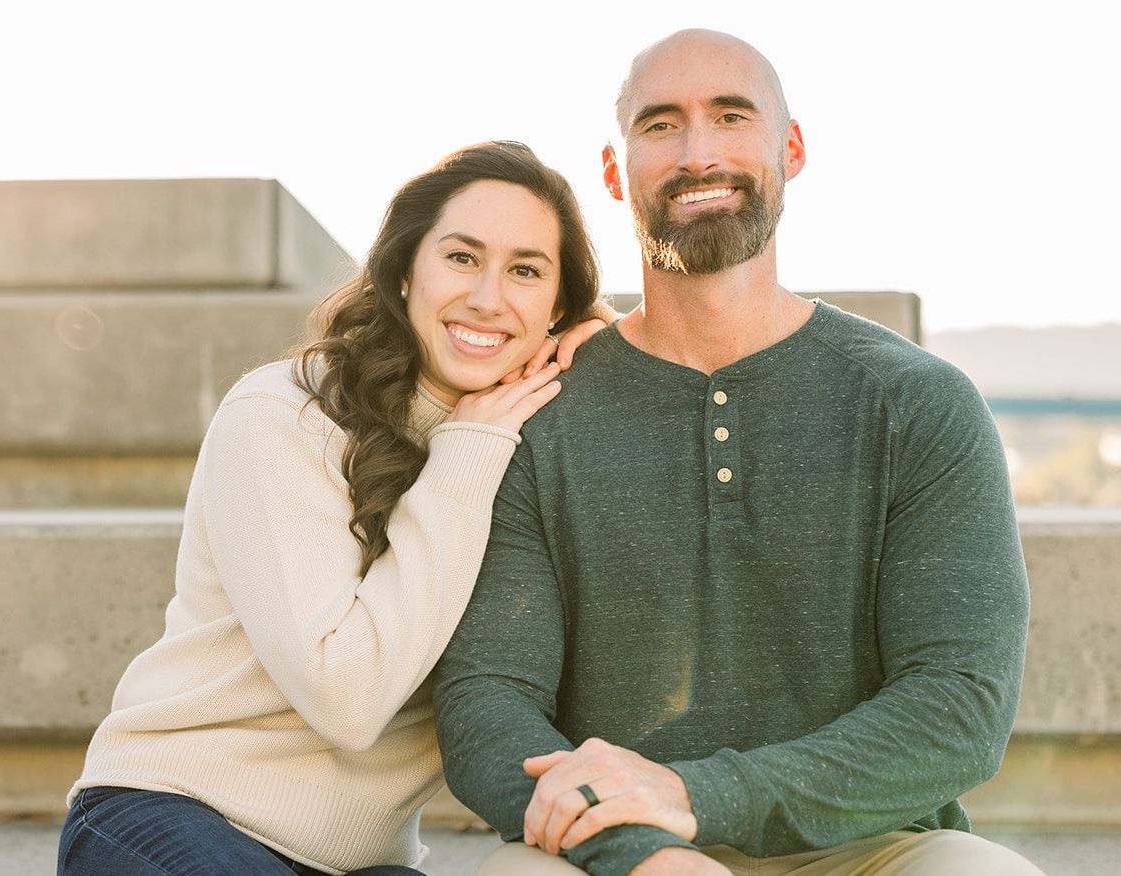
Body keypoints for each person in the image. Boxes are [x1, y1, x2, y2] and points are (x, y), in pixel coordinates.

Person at [431, 30, 1043, 876]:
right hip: (612, 849)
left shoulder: (917, 402)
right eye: (660, 125)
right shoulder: (541, 414)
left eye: (730, 116)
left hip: (870, 849)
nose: (697, 152)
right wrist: (644, 849)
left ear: (789, 150)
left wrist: (700, 796)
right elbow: (485, 700)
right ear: (616, 172)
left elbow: (959, 707)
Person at [59, 141, 616, 876]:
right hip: (173, 811)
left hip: (359, 865)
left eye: (525, 271)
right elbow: (344, 698)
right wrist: (468, 449)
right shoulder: (284, 414)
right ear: (404, 268)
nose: (487, 296)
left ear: (557, 309)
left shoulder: (528, 443)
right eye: (460, 257)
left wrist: (617, 375)